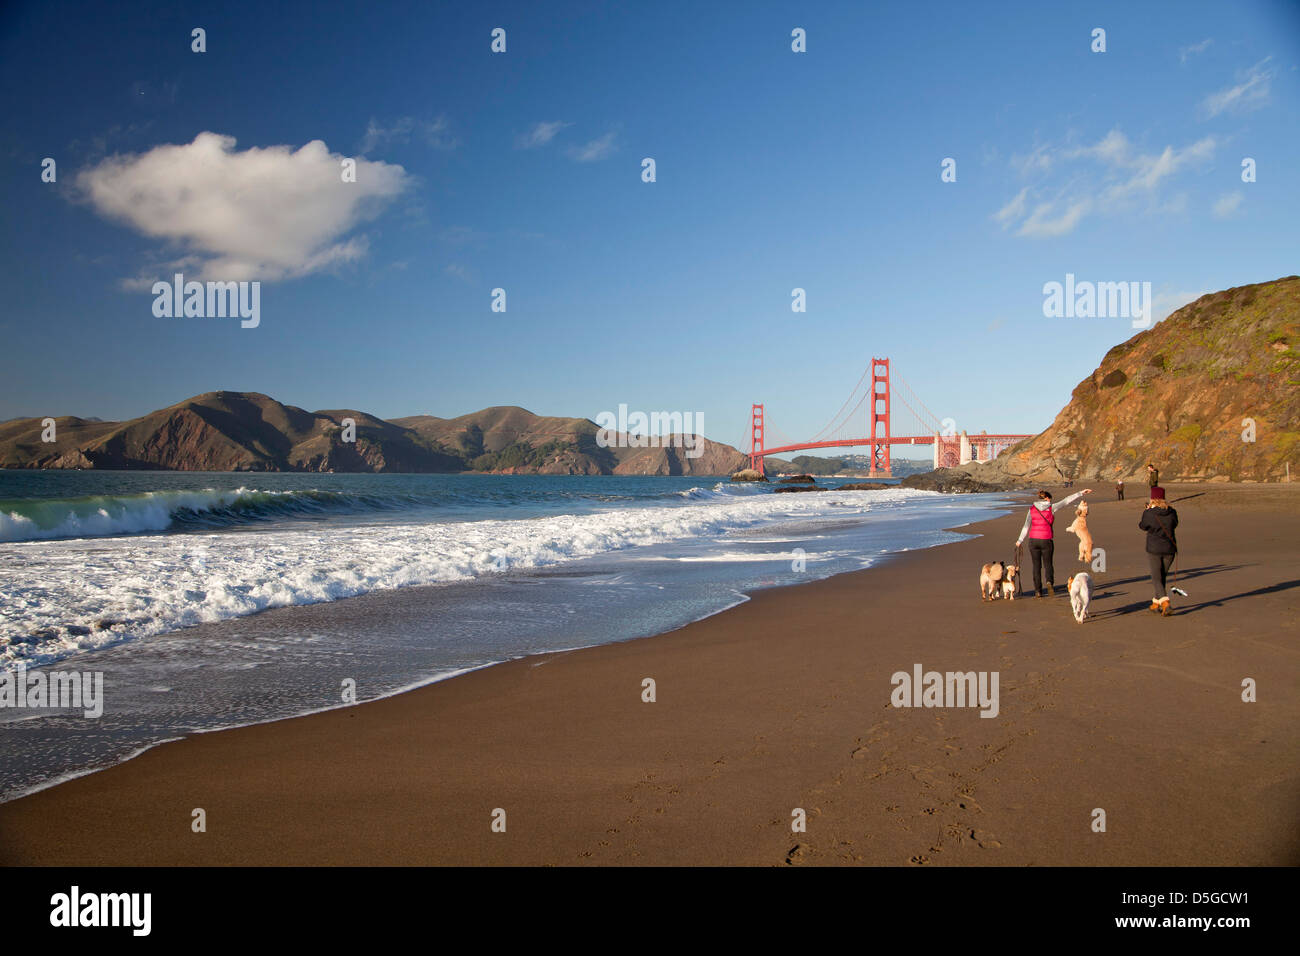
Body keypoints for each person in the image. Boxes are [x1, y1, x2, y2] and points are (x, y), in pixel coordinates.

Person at [1015, 486, 1092, 597]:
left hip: (1033, 540)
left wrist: (1019, 540)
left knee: (1036, 566)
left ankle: (1038, 591)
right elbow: (1066, 501)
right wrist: (1081, 492)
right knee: (1048, 564)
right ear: (1046, 498)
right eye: (1049, 499)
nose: (1050, 501)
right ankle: (1049, 582)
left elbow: (1026, 526)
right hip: (1046, 540)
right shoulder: (1051, 507)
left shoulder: (1032, 509)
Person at [1139, 486, 1178, 616]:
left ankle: (1166, 604)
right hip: (1170, 549)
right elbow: (1175, 524)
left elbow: (1142, 526)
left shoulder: (1149, 513)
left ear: (1152, 499)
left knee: (1156, 578)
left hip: (1154, 549)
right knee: (1161, 578)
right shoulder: (1172, 511)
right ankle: (1156, 604)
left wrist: (1148, 511)